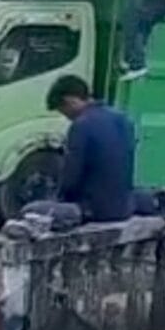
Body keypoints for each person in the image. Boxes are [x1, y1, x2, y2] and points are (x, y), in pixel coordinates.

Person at [43, 75, 135, 222]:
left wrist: (58, 198)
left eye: (63, 111)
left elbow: (71, 175)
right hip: (125, 207)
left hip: (94, 210)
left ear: (70, 101)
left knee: (32, 210)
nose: (67, 117)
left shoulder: (81, 125)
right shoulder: (123, 118)